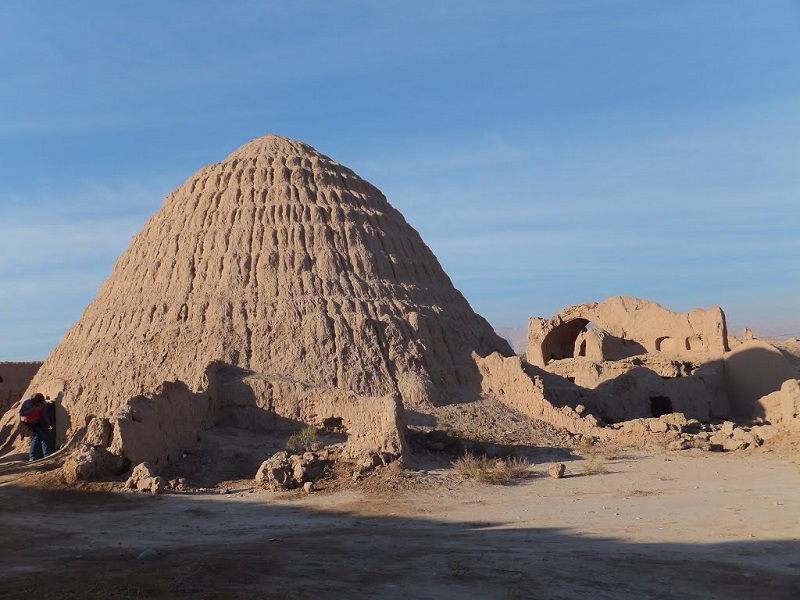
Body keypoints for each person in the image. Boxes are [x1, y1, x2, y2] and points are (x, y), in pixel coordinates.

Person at [19, 393, 52, 461]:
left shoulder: (42, 404)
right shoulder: (27, 402)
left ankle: (46, 455)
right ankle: (32, 456)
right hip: (26, 424)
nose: (39, 405)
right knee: (35, 437)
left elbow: (44, 414)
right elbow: (21, 413)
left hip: (36, 423)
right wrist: (32, 410)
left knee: (44, 437)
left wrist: (48, 423)